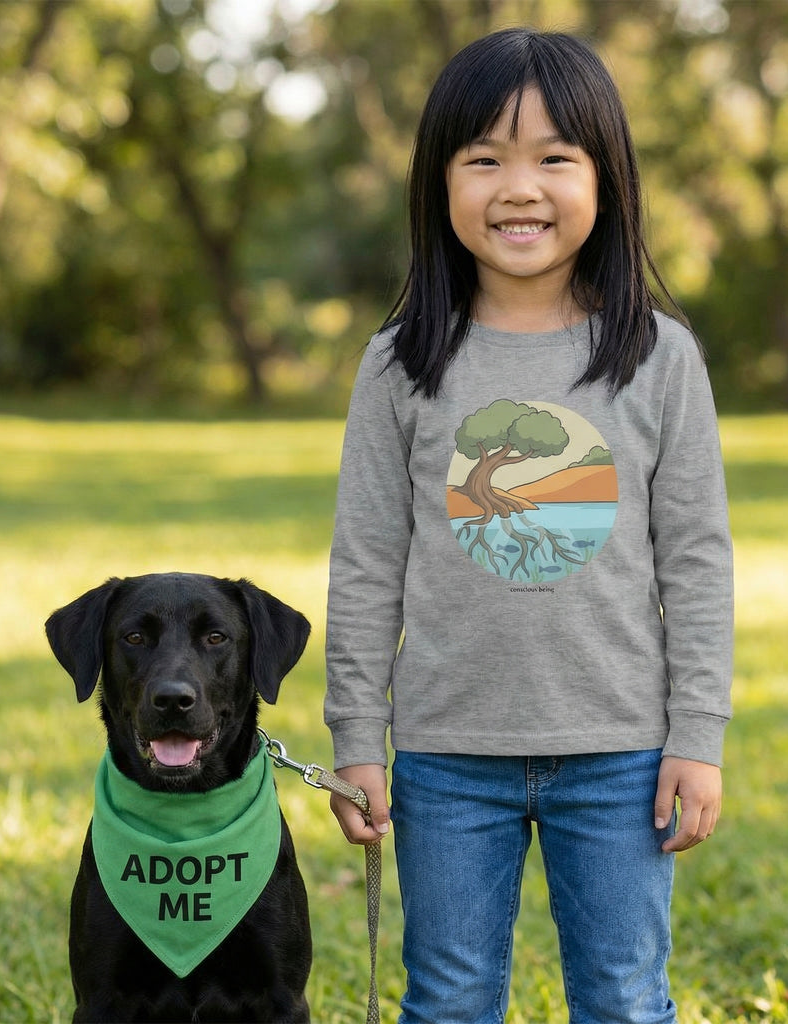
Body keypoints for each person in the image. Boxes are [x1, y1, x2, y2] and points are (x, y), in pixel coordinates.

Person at [324, 27, 733, 1024]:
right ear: (439, 182)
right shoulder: (399, 365)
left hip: (622, 750)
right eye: (484, 160)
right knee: (450, 1000)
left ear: (606, 180)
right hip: (445, 753)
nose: (519, 187)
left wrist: (698, 733)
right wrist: (354, 734)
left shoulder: (657, 357)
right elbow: (367, 559)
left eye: (554, 157)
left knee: (626, 1000)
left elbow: (696, 559)